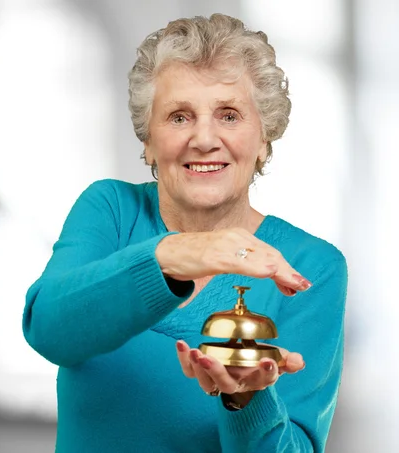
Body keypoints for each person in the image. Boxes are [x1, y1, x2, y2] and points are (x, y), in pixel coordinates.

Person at [23, 13, 347, 453]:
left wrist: (246, 398)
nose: (204, 138)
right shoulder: (112, 212)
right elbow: (49, 329)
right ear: (148, 141)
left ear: (264, 138)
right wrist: (175, 256)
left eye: (229, 115)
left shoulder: (311, 266)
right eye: (179, 117)